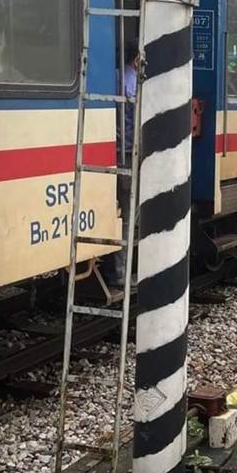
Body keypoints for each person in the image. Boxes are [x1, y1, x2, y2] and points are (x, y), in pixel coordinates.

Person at [105, 40, 140, 288]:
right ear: (138, 59)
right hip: (128, 155)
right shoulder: (135, 85)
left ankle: (108, 265)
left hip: (106, 154)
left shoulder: (111, 77)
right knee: (128, 215)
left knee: (111, 212)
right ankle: (120, 273)